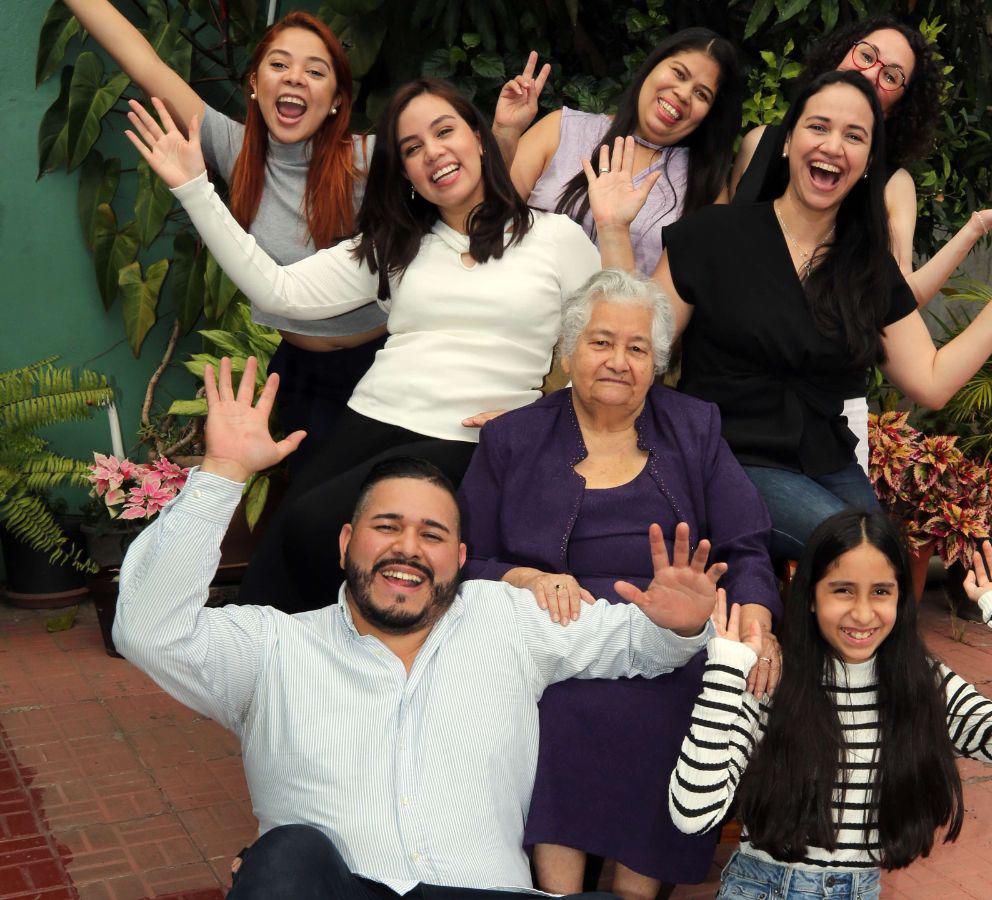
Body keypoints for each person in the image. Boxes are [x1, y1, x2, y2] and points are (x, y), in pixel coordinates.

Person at [113, 355, 727, 899]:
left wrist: (677, 626)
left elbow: (634, 645)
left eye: (432, 535)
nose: (407, 548)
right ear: (347, 542)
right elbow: (149, 632)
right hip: (336, 887)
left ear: (460, 561)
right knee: (287, 855)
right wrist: (222, 473)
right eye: (386, 527)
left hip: (480, 889)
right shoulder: (276, 646)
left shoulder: (506, 617)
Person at [125, 78, 618, 611]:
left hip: (472, 440)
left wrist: (544, 416)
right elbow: (278, 289)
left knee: (323, 532)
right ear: (404, 172)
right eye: (411, 148)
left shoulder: (556, 238)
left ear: (478, 139)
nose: (432, 153)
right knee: (282, 559)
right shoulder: (395, 246)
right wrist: (194, 187)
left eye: (444, 131)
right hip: (370, 422)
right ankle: (271, 685)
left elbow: (609, 339)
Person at [651, 70, 992, 559]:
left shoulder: (866, 265)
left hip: (824, 459)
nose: (833, 146)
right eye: (819, 127)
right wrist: (615, 227)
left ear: (867, 163)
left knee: (885, 566)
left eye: (854, 136)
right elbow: (642, 345)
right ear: (789, 142)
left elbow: (931, 381)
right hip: (726, 455)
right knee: (857, 557)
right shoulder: (712, 235)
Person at [458, 269, 779, 898]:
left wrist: (758, 619)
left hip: (677, 628)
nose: (618, 361)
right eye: (602, 342)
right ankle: (558, 892)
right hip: (555, 632)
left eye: (638, 348)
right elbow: (464, 559)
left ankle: (637, 894)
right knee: (556, 708)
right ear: (571, 350)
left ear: (656, 364)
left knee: (683, 702)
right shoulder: (512, 438)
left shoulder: (694, 427)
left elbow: (746, 543)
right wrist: (522, 577)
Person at [670, 511, 992, 898]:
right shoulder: (771, 679)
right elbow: (692, 816)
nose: (863, 614)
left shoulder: (923, 683)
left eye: (881, 591)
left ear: (901, 598)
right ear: (810, 597)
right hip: (763, 888)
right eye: (842, 589)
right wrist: (723, 678)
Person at [731, 15, 992, 471]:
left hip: (820, 420)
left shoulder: (890, 185)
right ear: (840, 53)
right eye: (866, 55)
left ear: (897, 106)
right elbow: (709, 261)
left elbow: (895, 302)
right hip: (730, 402)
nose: (871, 73)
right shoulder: (757, 145)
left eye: (891, 75)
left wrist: (972, 230)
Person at [64, 1, 385, 469]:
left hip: (379, 365)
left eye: (315, 71)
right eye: (278, 65)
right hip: (298, 371)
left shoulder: (371, 159)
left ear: (337, 98)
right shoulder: (236, 150)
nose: (294, 77)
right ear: (254, 83)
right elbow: (146, 63)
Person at [493, 29, 743, 276]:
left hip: (620, 314)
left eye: (702, 93)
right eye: (678, 73)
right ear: (652, 67)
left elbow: (686, 299)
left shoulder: (705, 189)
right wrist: (505, 133)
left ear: (711, 114)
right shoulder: (560, 128)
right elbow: (482, 217)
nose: (683, 93)